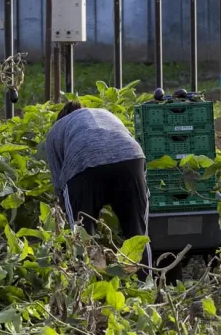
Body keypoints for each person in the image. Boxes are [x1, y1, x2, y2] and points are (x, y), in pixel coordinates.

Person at [42, 101, 152, 261]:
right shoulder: (105, 113)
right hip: (130, 157)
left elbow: (60, 189)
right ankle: (146, 283)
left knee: (81, 239)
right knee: (138, 236)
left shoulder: (56, 130)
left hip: (83, 159)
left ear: (61, 118)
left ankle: (87, 281)